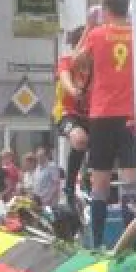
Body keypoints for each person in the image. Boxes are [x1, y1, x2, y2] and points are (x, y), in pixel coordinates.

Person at [73, 0, 136, 249]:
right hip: (131, 115)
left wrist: (89, 27)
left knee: (100, 182)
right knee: (131, 182)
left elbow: (76, 62)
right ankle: (132, 246)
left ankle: (97, 245)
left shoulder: (97, 35)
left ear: (105, 9)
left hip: (102, 114)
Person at [54, 25, 91, 203]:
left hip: (93, 115)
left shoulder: (98, 66)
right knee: (80, 139)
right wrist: (74, 91)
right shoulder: (66, 61)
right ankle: (69, 186)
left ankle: (90, 180)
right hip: (67, 113)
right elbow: (65, 78)